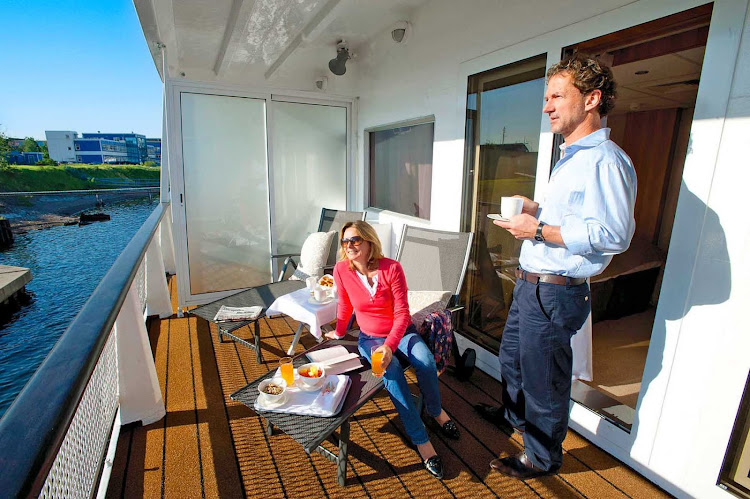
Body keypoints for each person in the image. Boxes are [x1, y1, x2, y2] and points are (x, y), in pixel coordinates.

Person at [487, 54, 637, 479]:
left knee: (544, 379)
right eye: (546, 97)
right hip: (530, 284)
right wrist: (538, 210)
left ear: (591, 99)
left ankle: (541, 457)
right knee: (512, 360)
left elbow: (613, 234)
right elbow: (575, 218)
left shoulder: (606, 160)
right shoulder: (571, 157)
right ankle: (515, 421)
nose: (546, 107)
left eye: (556, 96)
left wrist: (537, 230)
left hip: (555, 290)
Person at [324, 220, 459, 480]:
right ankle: (421, 440)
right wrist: (340, 332)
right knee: (392, 372)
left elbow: (402, 313)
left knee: (425, 361)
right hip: (370, 338)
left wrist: (390, 345)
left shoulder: (391, 268)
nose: (349, 245)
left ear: (368, 241)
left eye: (355, 240)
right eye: (345, 241)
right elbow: (345, 305)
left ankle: (435, 411)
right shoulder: (341, 270)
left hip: (402, 332)